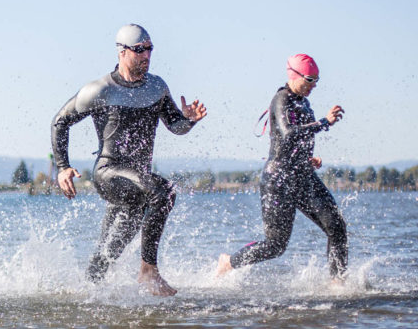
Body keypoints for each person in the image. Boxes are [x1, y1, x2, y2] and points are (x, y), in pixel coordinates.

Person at [52, 24, 207, 296]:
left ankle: (83, 296)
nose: (146, 56)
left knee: (108, 253)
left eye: (149, 49)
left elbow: (175, 126)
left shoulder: (157, 87)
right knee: (164, 191)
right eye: (139, 50)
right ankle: (148, 273)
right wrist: (63, 167)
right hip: (109, 174)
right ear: (122, 52)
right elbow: (60, 121)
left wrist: (189, 121)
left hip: (138, 184)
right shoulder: (100, 89)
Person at [217, 54, 347, 282]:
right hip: (279, 182)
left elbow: (298, 141)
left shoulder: (304, 102)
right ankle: (229, 262)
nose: (313, 85)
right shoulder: (282, 99)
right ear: (294, 75)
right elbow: (288, 134)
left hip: (303, 177)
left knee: (337, 227)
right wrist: (324, 122)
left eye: (317, 80)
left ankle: (337, 283)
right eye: (309, 79)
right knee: (275, 246)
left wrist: (307, 159)